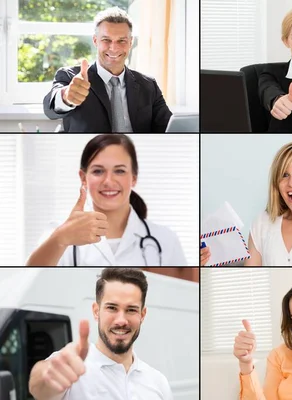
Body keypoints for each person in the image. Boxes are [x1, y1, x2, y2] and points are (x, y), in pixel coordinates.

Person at [26, 134, 187, 266]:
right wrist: (61, 239)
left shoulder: (165, 239)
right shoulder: (59, 231)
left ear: (133, 178)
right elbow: (29, 280)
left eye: (119, 171)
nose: (108, 181)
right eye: (98, 171)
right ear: (83, 177)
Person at [28, 268, 173, 399]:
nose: (121, 321)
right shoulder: (71, 369)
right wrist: (47, 376)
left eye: (131, 310)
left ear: (142, 315)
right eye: (112, 307)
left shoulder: (158, 382)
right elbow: (40, 388)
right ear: (96, 311)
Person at [42, 7, 172, 132]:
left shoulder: (148, 85)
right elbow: (50, 109)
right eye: (106, 40)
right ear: (95, 40)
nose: (114, 48)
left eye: (121, 40)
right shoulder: (71, 77)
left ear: (130, 42)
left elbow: (169, 127)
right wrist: (66, 97)